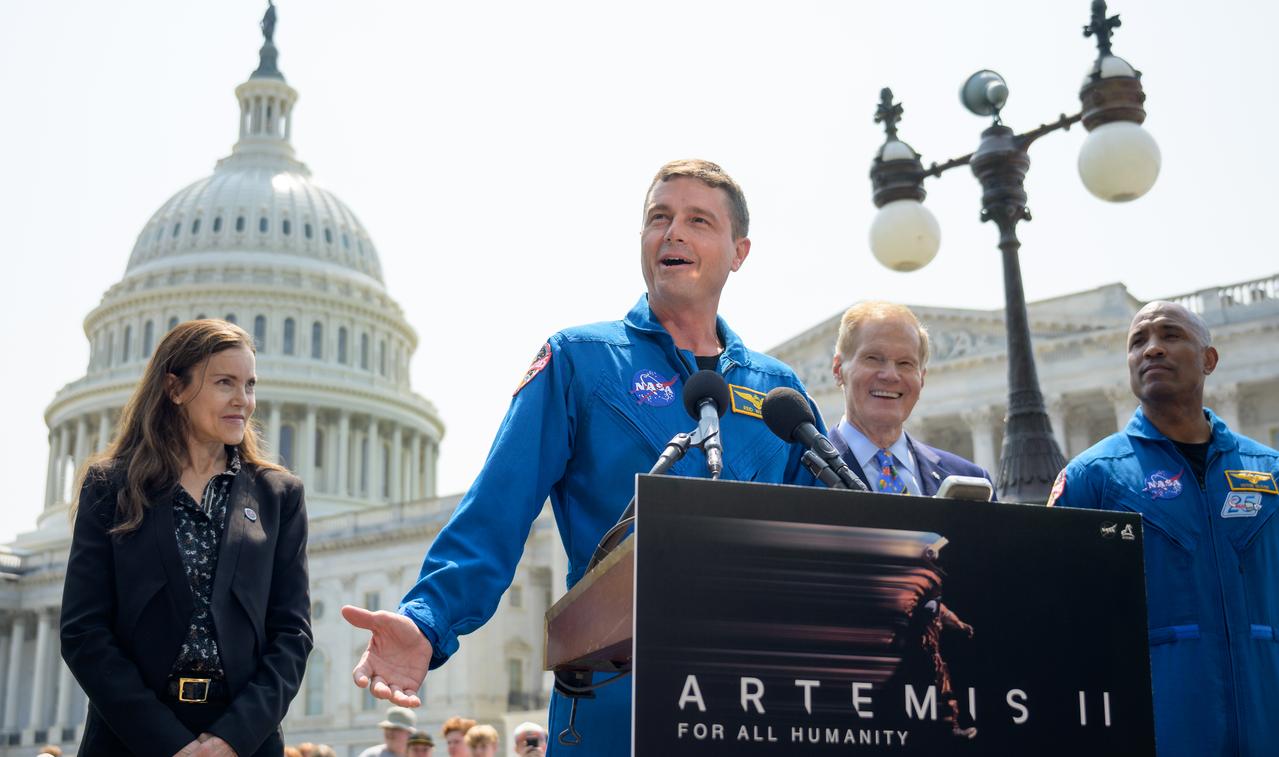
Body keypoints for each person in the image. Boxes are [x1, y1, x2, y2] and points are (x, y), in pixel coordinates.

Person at [342, 159, 826, 754]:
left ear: (738, 251)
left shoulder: (778, 391)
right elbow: (497, 508)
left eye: (698, 220)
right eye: (659, 218)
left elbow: (829, 537)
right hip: (612, 699)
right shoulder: (580, 360)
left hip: (752, 701)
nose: (673, 232)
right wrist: (426, 620)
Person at [59, 319, 313, 756]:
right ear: (174, 389)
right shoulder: (111, 487)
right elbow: (84, 631)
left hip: (243, 743)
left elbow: (292, 634)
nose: (244, 401)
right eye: (224, 383)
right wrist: (170, 745)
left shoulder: (278, 496)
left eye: (250, 384)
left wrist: (231, 739)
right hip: (131, 740)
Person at [1050, 300, 1279, 756]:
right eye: (1138, 342)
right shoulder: (1093, 476)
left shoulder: (1268, 471)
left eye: (1170, 336)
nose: (1152, 349)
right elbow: (1059, 615)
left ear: (1209, 359)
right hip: (1159, 730)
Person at [829, 301, 994, 495]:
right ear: (838, 370)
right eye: (873, 358)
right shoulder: (799, 473)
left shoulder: (973, 480)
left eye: (905, 363)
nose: (890, 375)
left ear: (921, 378)